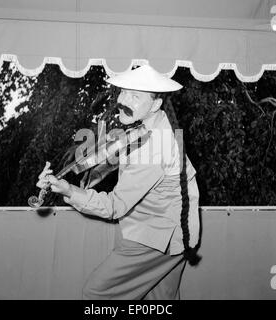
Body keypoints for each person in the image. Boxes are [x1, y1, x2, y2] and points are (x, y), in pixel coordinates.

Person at [36, 65, 200, 300]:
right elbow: (106, 159)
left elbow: (115, 206)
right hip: (175, 236)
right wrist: (63, 178)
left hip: (158, 237)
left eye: (135, 96)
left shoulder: (153, 148)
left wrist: (68, 190)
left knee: (97, 294)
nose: (124, 100)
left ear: (156, 104)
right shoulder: (151, 126)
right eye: (124, 92)